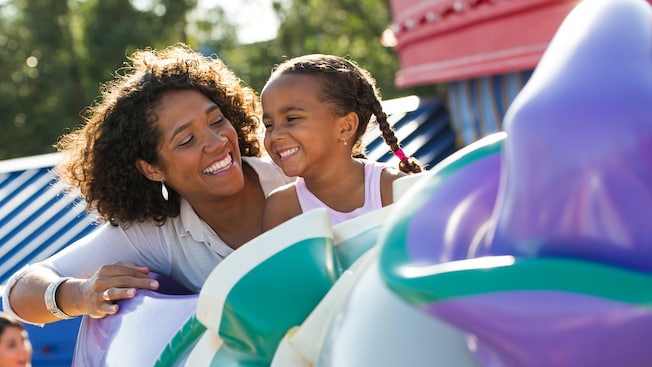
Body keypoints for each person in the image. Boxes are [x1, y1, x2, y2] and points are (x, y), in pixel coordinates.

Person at [2, 43, 293, 325]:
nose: (217, 143)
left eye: (216, 121)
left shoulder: (295, 175)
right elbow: (17, 293)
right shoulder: (159, 235)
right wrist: (81, 294)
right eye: (187, 140)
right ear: (151, 169)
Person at [260, 54, 423, 230]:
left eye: (291, 119)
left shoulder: (392, 189)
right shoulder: (282, 209)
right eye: (269, 125)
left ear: (345, 127)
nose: (275, 135)